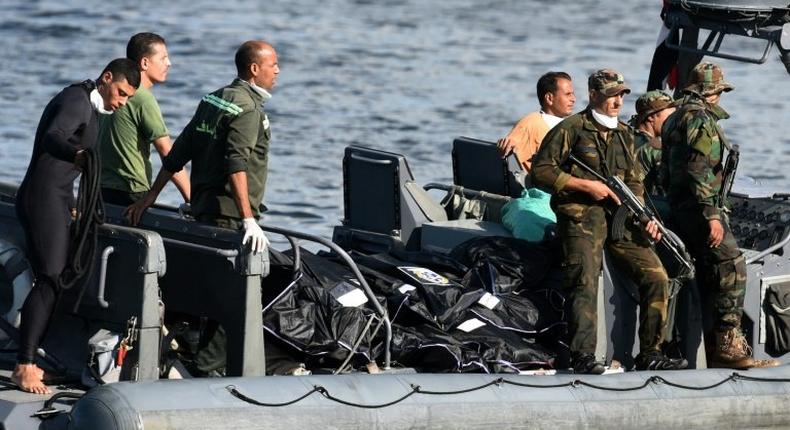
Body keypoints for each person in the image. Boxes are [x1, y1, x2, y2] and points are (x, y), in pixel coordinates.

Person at [125, 40, 279, 376]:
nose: (277, 71)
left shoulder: (214, 98)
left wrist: (149, 198)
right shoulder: (250, 109)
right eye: (273, 65)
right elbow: (237, 164)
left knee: (205, 292)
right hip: (229, 215)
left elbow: (180, 150)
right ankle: (208, 371)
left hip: (203, 211)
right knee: (233, 298)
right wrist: (249, 219)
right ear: (254, 69)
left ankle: (192, 358)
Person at [531, 69, 687, 373]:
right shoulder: (572, 129)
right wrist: (585, 185)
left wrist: (644, 216)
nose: (617, 101)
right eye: (611, 95)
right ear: (594, 95)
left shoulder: (625, 135)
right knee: (584, 280)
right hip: (582, 219)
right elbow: (540, 171)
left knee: (657, 275)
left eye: (621, 95)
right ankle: (583, 356)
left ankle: (651, 352)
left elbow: (634, 183)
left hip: (621, 220)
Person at [13, 59, 140, 393]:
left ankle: (35, 359)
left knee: (60, 279)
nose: (122, 102)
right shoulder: (76, 101)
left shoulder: (94, 107)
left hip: (56, 199)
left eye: (128, 99)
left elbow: (63, 170)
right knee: (50, 279)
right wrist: (78, 155)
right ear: (107, 78)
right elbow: (53, 138)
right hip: (41, 199)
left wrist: (71, 204)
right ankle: (24, 365)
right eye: (121, 93)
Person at [661, 62, 778, 369]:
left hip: (679, 208)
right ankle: (727, 342)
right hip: (699, 210)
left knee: (712, 267)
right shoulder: (700, 120)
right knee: (732, 263)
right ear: (711, 93)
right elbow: (699, 169)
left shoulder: (674, 118)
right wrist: (712, 215)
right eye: (719, 91)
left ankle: (712, 342)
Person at [99, 32, 190, 205]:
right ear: (145, 63)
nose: (169, 63)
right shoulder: (142, 98)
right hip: (129, 192)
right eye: (163, 58)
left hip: (98, 188)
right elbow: (168, 154)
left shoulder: (109, 91)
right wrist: (192, 199)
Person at [497, 71, 576, 171]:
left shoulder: (572, 125)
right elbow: (509, 154)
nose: (573, 99)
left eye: (573, 94)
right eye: (568, 94)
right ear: (549, 98)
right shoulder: (532, 122)